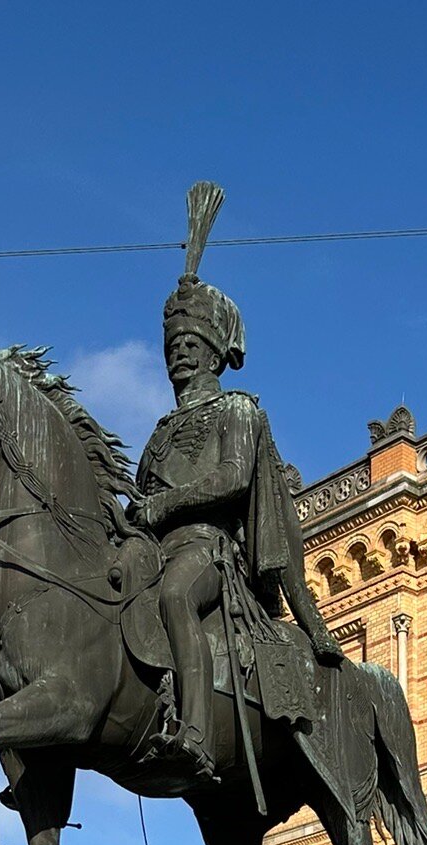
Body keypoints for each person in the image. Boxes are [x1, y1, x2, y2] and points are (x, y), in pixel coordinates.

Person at [129, 185, 343, 784]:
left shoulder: (238, 410)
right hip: (155, 547)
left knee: (175, 597)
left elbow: (231, 479)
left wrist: (168, 502)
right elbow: (141, 494)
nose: (179, 357)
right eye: (173, 348)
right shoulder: (161, 430)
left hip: (207, 551)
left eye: (192, 346)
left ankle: (195, 732)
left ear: (216, 354)